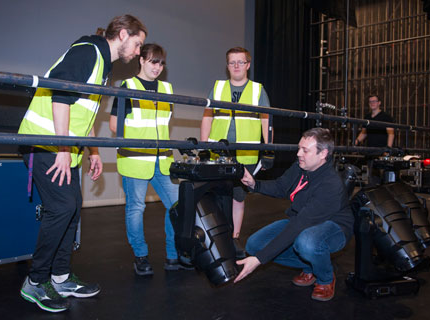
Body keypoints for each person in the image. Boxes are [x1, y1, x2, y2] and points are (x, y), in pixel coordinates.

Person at [18, 14, 147, 313]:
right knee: (61, 207)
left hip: (65, 148)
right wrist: (64, 146)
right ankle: (35, 282)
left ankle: (61, 277)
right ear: (124, 34)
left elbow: (84, 111)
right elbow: (60, 95)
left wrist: (93, 152)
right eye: (138, 44)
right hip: (44, 142)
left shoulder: (104, 64)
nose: (139, 52)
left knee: (73, 207)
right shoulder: (88, 50)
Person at [234, 128, 354, 302]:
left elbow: (300, 225)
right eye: (299, 148)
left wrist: (259, 260)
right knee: (254, 245)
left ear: (323, 154)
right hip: (303, 220)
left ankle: (325, 278)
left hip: (334, 226)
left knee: (306, 242)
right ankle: (312, 265)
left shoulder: (330, 184)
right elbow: (281, 187)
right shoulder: (300, 166)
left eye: (305, 150)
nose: (299, 154)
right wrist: (254, 184)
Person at [109, 43, 191, 276]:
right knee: (136, 208)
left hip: (162, 160)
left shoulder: (167, 88)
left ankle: (173, 255)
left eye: (161, 63)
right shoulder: (127, 86)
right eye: (153, 61)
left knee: (176, 206)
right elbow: (115, 125)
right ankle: (141, 256)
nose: (158, 67)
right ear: (141, 60)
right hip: (135, 159)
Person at [200, 47, 271, 256]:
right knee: (218, 194)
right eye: (232, 62)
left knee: (238, 196)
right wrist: (203, 145)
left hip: (246, 153)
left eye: (241, 62)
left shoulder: (258, 90)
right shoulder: (218, 87)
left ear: (248, 65)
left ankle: (234, 238)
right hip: (218, 152)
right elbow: (207, 116)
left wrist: (269, 149)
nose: (237, 66)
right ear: (227, 65)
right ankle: (219, 237)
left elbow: (267, 119)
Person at [355, 94, 395, 185]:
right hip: (370, 150)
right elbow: (364, 132)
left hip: (382, 150)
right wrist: (356, 141)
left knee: (383, 175)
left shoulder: (385, 117)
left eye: (374, 101)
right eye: (370, 102)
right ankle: (374, 195)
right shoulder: (367, 117)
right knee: (372, 176)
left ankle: (384, 195)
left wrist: (388, 149)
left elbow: (391, 133)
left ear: (379, 103)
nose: (372, 103)